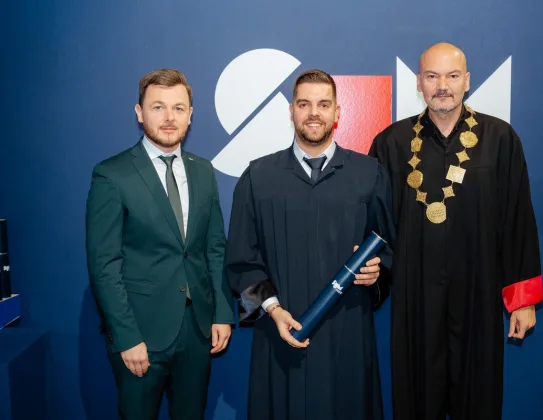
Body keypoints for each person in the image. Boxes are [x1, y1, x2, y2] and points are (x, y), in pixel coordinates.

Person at [368, 43, 543, 420]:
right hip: (415, 297)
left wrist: (523, 300)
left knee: (478, 398)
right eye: (432, 76)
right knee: (416, 398)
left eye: (451, 76)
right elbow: (375, 225)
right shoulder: (392, 143)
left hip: (479, 292)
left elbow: (517, 221)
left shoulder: (500, 139)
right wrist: (374, 278)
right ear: (419, 83)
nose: (442, 86)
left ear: (467, 81)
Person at [225, 69, 396, 420]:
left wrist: (376, 273)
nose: (313, 113)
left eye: (323, 104)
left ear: (337, 113)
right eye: (304, 104)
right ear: (291, 111)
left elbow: (389, 251)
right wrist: (273, 310)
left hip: (347, 335)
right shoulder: (258, 177)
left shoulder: (369, 174)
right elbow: (241, 262)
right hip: (280, 333)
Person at [85, 68, 234, 420]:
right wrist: (126, 336)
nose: (169, 117)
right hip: (141, 335)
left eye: (178, 108)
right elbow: (104, 265)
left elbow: (215, 248)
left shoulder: (204, 171)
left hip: (197, 332)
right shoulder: (112, 174)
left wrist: (222, 314)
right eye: (158, 107)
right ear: (140, 113)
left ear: (190, 115)